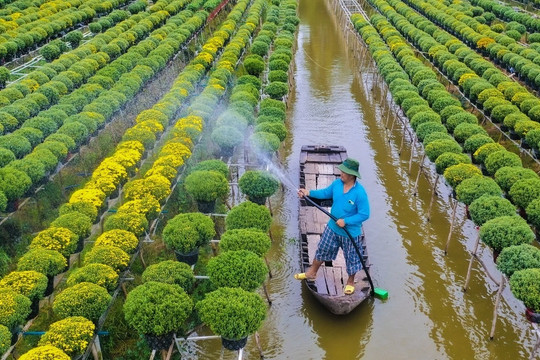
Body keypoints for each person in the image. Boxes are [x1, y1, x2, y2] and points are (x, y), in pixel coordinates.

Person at [294, 158, 370, 295]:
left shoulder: (360, 193)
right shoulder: (336, 184)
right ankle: (312, 272)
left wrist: (346, 221)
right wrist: (308, 193)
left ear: (352, 175)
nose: (341, 173)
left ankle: (350, 282)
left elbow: (364, 214)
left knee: (352, 258)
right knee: (322, 249)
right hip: (333, 228)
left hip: (350, 233)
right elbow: (324, 193)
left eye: (344, 172)